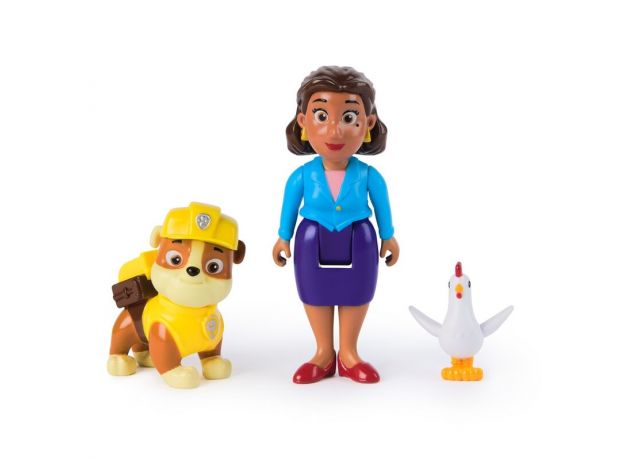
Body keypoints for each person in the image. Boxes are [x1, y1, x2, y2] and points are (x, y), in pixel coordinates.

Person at [272, 66, 400, 384]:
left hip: (359, 238)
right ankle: (323, 353)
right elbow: (290, 207)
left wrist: (388, 236)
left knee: (357, 291)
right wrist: (283, 237)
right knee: (315, 292)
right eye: (321, 116)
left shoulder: (369, 175)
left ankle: (349, 353)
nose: (334, 130)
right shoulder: (302, 176)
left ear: (368, 124)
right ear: (303, 122)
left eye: (348, 117)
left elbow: (382, 207)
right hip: (311, 238)